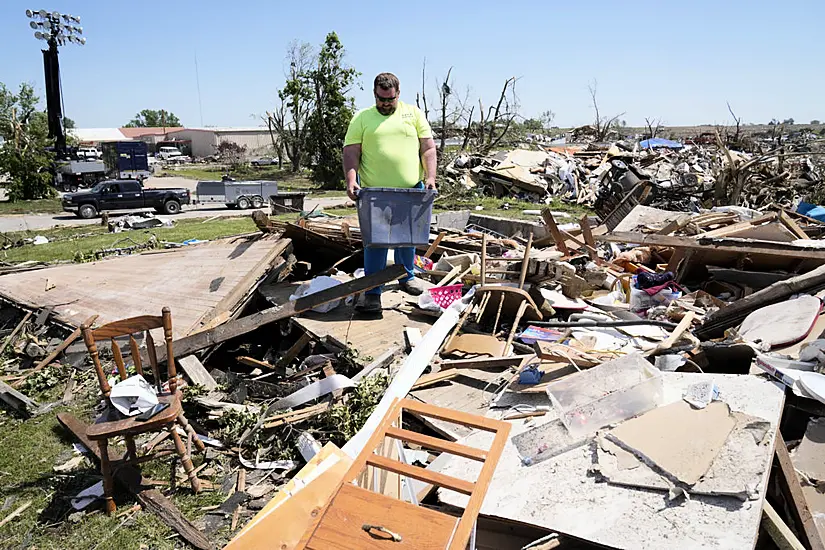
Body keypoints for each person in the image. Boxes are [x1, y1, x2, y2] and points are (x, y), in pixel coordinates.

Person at [343, 72, 437, 313]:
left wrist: (430, 177)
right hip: (375, 192)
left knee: (407, 238)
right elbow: (351, 152)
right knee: (376, 242)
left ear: (398, 94)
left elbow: (427, 148)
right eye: (381, 99)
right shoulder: (362, 118)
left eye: (390, 99)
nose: (385, 104)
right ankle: (373, 291)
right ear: (375, 94)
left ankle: (406, 277)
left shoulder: (413, 114)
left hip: (410, 190)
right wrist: (351, 180)